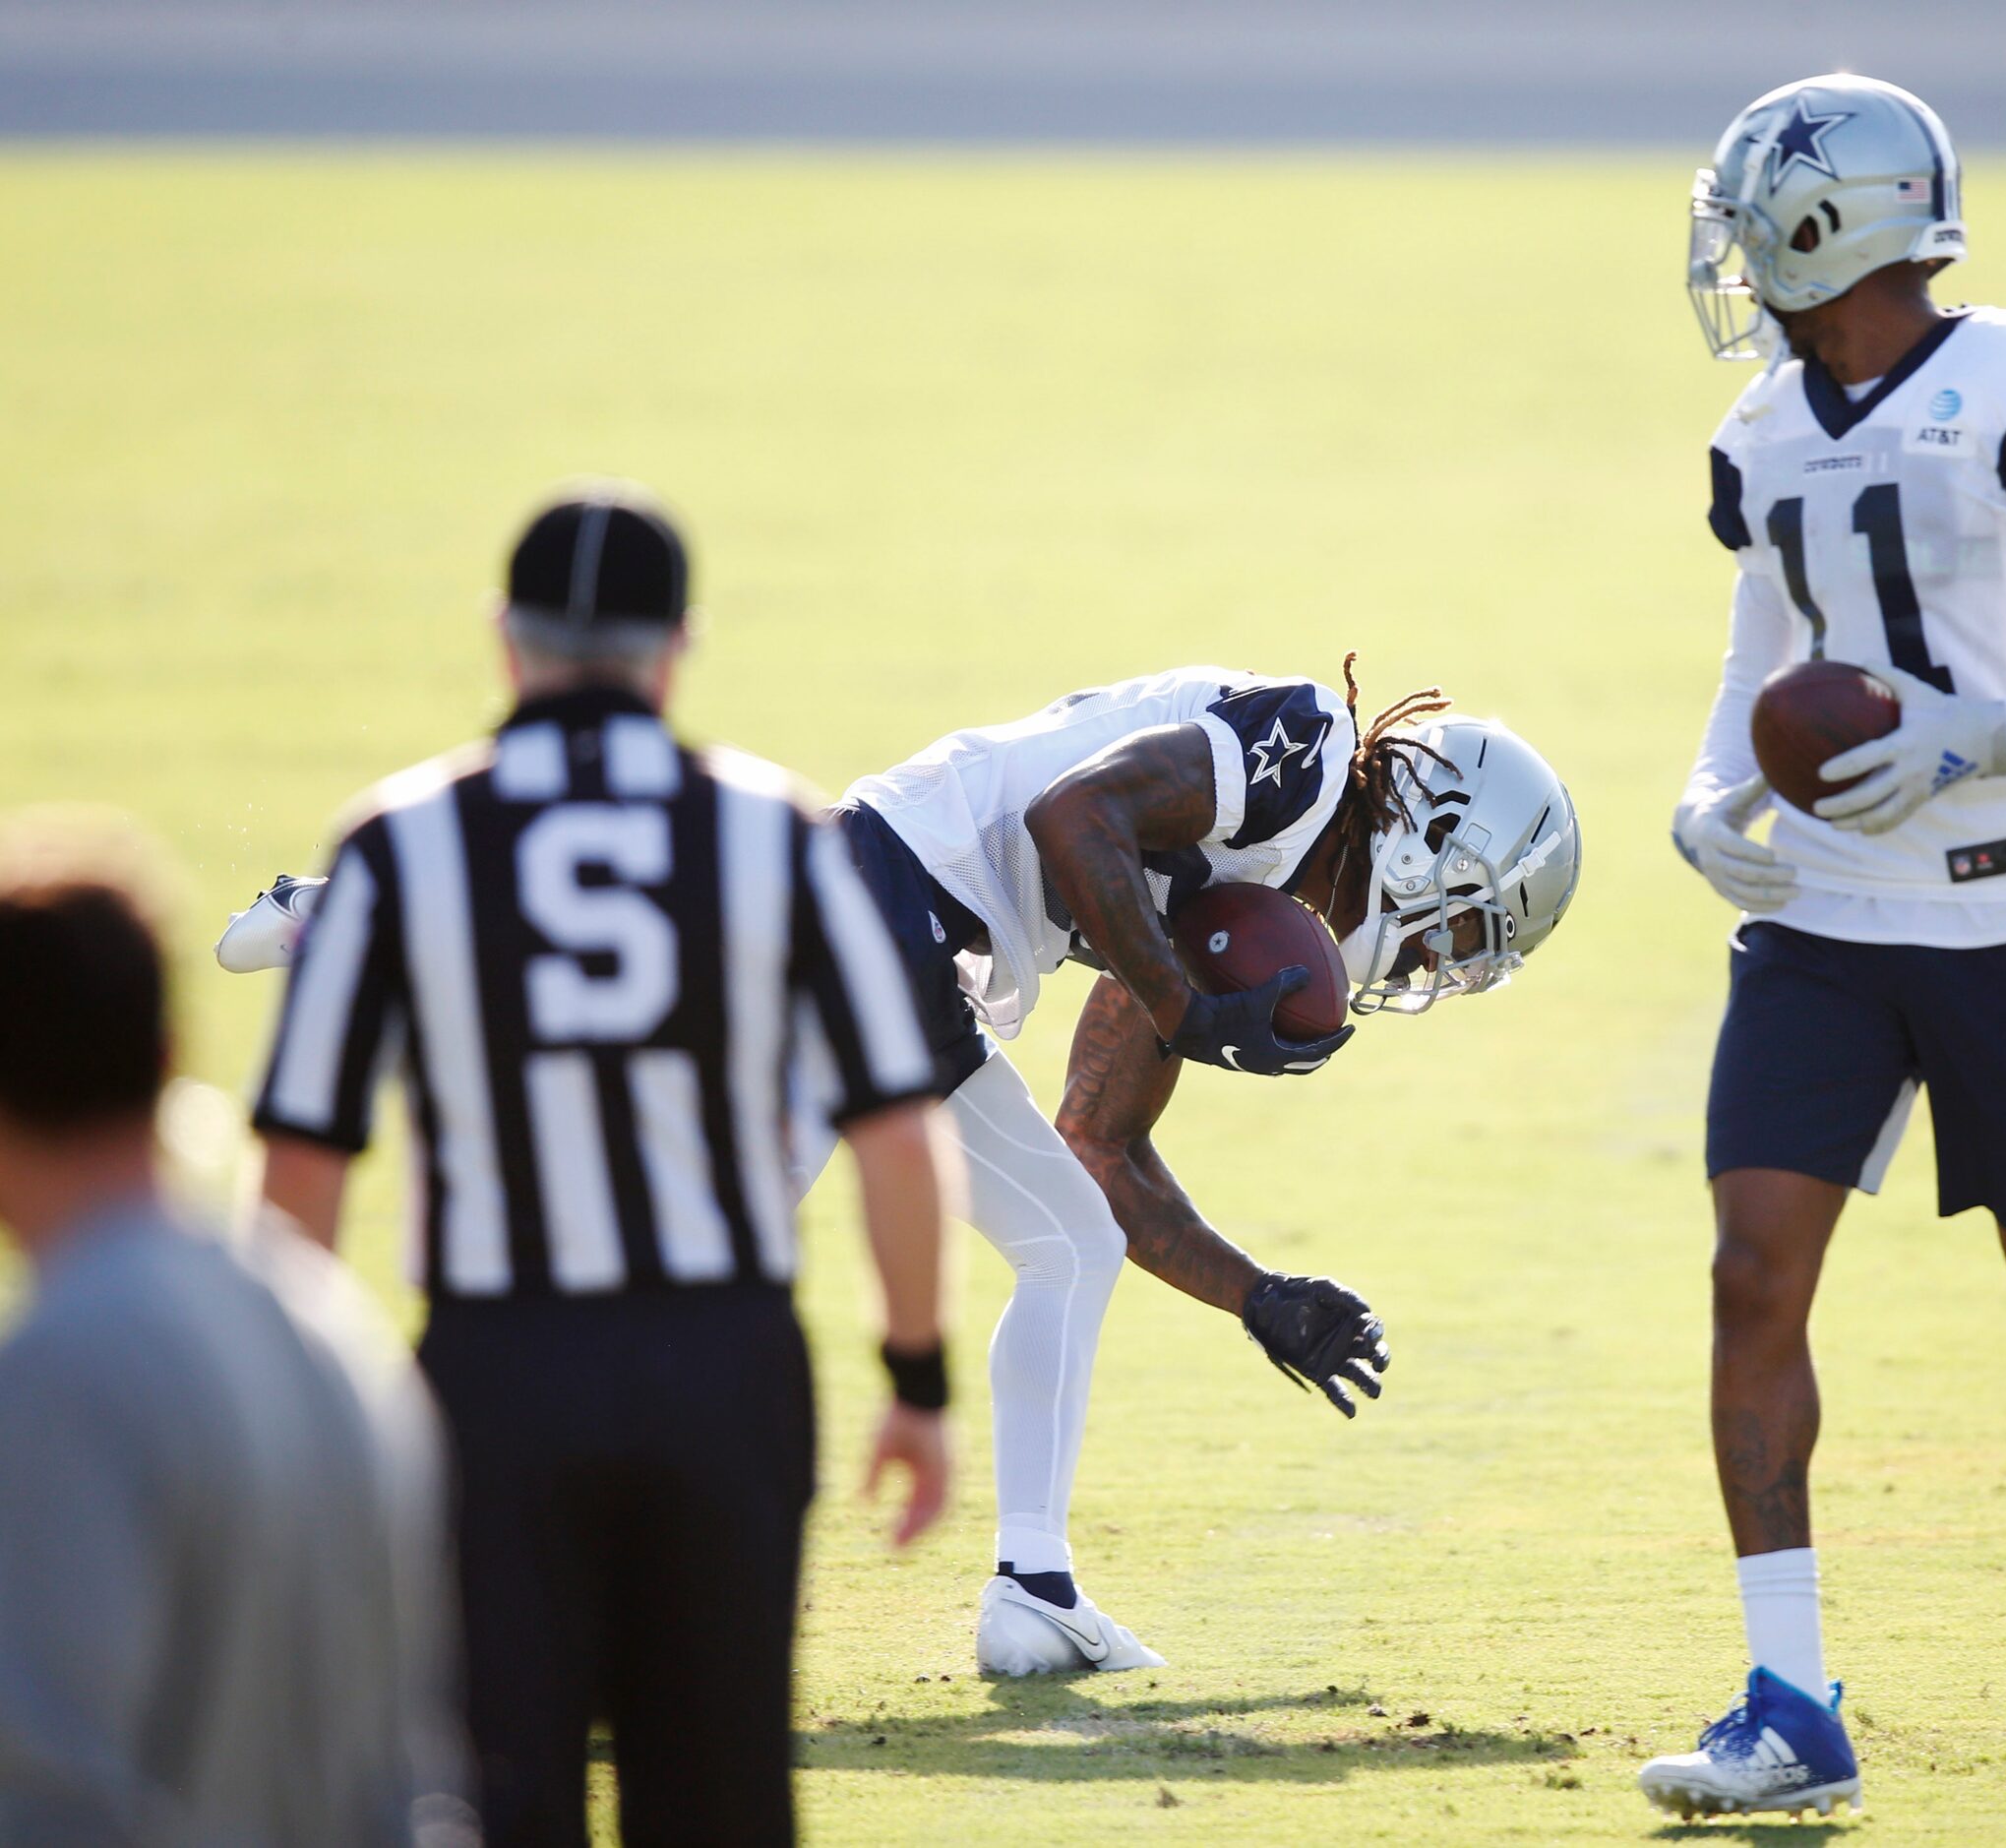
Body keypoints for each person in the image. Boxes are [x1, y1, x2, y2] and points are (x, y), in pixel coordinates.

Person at [1641, 76, 2006, 1823]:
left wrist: (1985, 735)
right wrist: (1705, 791)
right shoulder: (1761, 426)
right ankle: (1785, 1702)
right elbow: (1770, 643)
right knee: (1749, 1274)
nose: (1728, 242)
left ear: (1831, 221)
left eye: (1752, 207)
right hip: (1822, 920)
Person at [245, 485, 951, 1848]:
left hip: (495, 1375)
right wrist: (915, 1377)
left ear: (507, 639)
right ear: (673, 647)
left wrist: (292, 1419)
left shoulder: (400, 842)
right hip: (723, 1365)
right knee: (721, 1791)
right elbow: (897, 1129)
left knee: (504, 1788)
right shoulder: (770, 830)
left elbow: (302, 1159)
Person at [814, 656, 1580, 1674]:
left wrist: (1258, 1297)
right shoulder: (1302, 750)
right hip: (870, 900)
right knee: (690, 1266)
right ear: (1435, 837)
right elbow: (1072, 813)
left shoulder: (1232, 895)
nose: (1440, 963)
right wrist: (1184, 1009)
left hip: (916, 952)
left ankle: (1033, 1591)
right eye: (1472, 925)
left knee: (1067, 1240)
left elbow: (1099, 1146)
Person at [0, 812, 470, 1847]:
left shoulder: (62, 1372)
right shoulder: (332, 1333)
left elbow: (52, 1792)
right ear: (169, 1056)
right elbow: (404, 1776)